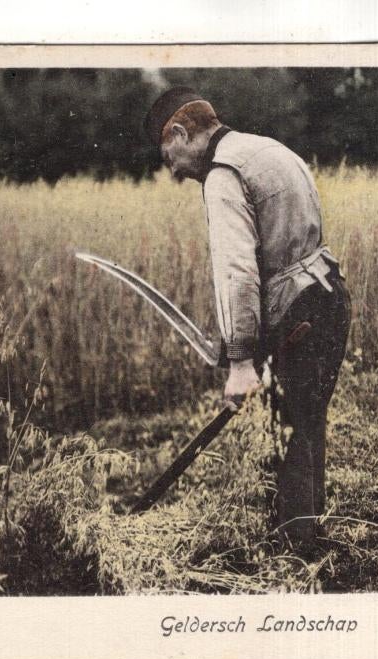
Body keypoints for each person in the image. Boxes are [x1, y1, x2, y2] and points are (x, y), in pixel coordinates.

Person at [143, 86, 351, 544]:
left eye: (167, 155)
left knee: (290, 429)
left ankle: (295, 553)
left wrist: (240, 361)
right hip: (329, 295)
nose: (173, 171)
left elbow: (237, 271)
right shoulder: (265, 148)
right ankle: (308, 533)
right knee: (308, 424)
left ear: (179, 133)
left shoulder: (222, 175)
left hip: (297, 311)